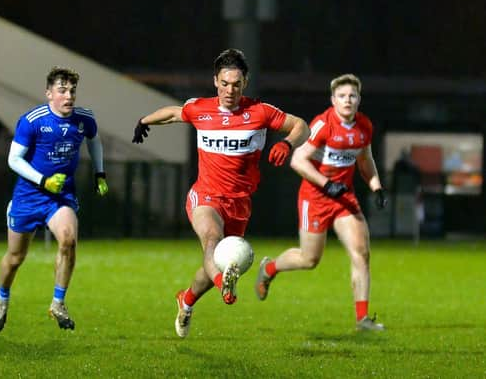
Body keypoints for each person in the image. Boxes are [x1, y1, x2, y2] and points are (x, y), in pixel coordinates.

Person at [132, 48, 309, 338]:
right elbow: (174, 113)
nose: (230, 90)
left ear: (245, 83)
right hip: (205, 197)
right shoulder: (201, 108)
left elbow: (302, 126)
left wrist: (287, 143)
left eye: (236, 84)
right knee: (212, 242)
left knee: (214, 260)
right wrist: (144, 121)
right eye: (225, 83)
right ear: (215, 81)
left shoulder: (260, 112)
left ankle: (187, 299)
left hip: (239, 203)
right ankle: (225, 284)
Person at [254, 73, 388, 331]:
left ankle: (362, 319)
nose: (347, 100)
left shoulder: (364, 127)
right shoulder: (322, 124)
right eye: (342, 96)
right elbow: (297, 160)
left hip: (343, 198)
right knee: (309, 259)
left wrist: (376, 186)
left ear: (359, 99)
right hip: (315, 198)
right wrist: (327, 184)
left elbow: (365, 161)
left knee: (361, 253)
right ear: (333, 100)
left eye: (352, 95)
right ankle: (270, 268)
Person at [0, 67, 109, 332]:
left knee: (68, 239)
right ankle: (2, 298)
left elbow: (95, 141)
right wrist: (43, 181)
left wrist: (100, 173)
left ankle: (58, 303)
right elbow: (13, 159)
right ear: (49, 93)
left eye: (72, 91)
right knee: (15, 257)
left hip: (61, 196)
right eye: (62, 90)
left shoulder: (84, 119)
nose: (69, 96)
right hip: (28, 197)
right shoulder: (32, 120)